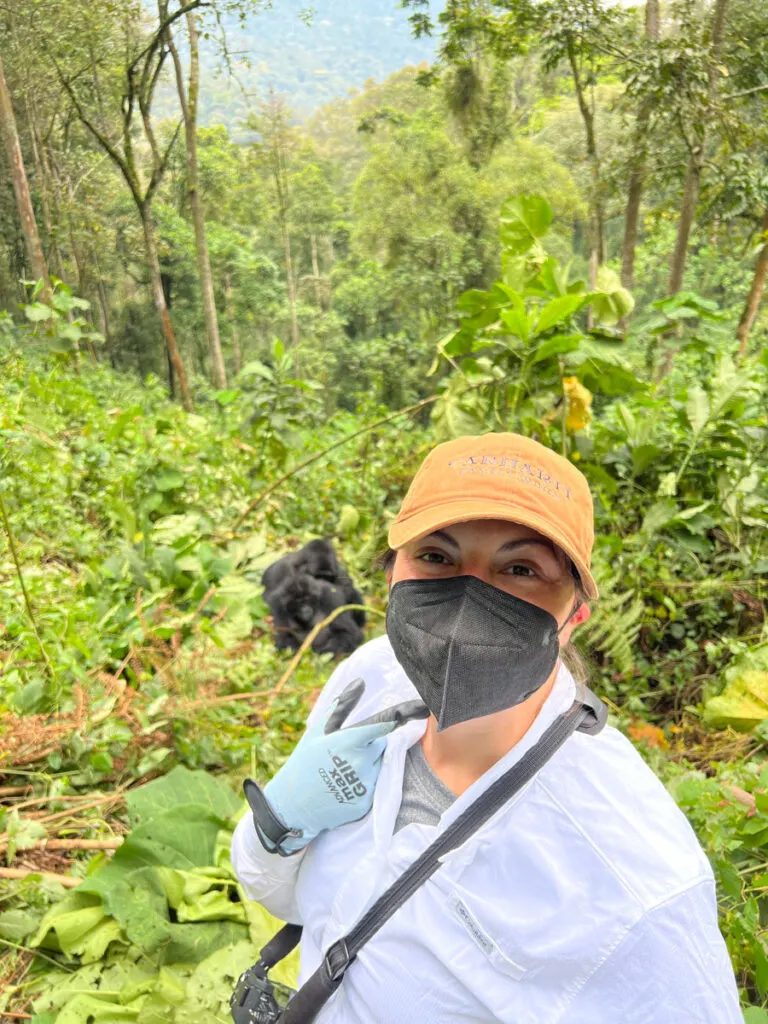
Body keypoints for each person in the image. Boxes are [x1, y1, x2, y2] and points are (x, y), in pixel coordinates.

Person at [232, 432, 741, 1023]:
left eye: (520, 568)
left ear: (573, 614)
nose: (469, 598)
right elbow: (286, 896)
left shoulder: (637, 890)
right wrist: (278, 827)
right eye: (437, 556)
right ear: (392, 573)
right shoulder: (370, 677)